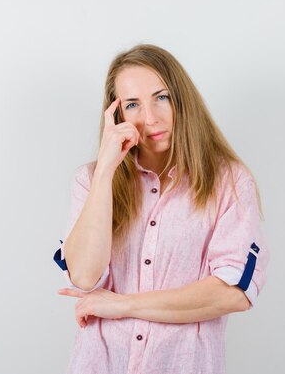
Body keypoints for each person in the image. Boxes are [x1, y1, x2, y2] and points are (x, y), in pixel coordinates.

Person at [52, 44, 270, 374]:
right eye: (133, 104)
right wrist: (105, 172)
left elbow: (233, 292)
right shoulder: (91, 180)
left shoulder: (228, 181)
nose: (150, 117)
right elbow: (83, 275)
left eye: (161, 97)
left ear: (181, 98)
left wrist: (124, 304)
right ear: (116, 114)